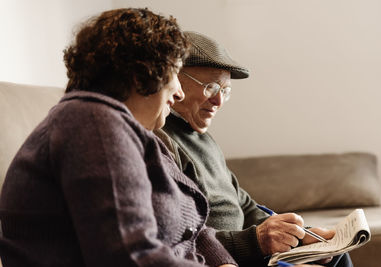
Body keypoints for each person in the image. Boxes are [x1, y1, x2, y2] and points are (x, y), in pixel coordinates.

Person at [0, 9, 239, 267]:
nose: (178, 93)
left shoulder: (137, 135)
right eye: (174, 74)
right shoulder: (92, 125)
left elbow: (193, 230)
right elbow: (129, 255)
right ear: (142, 72)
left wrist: (223, 263)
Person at [157, 31, 353, 267]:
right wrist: (256, 240)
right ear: (175, 80)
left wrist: (299, 236)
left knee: (337, 256)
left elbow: (245, 205)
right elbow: (184, 238)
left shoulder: (203, 138)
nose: (218, 102)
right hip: (229, 257)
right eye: (210, 87)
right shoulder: (162, 140)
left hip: (252, 249)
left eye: (225, 91)